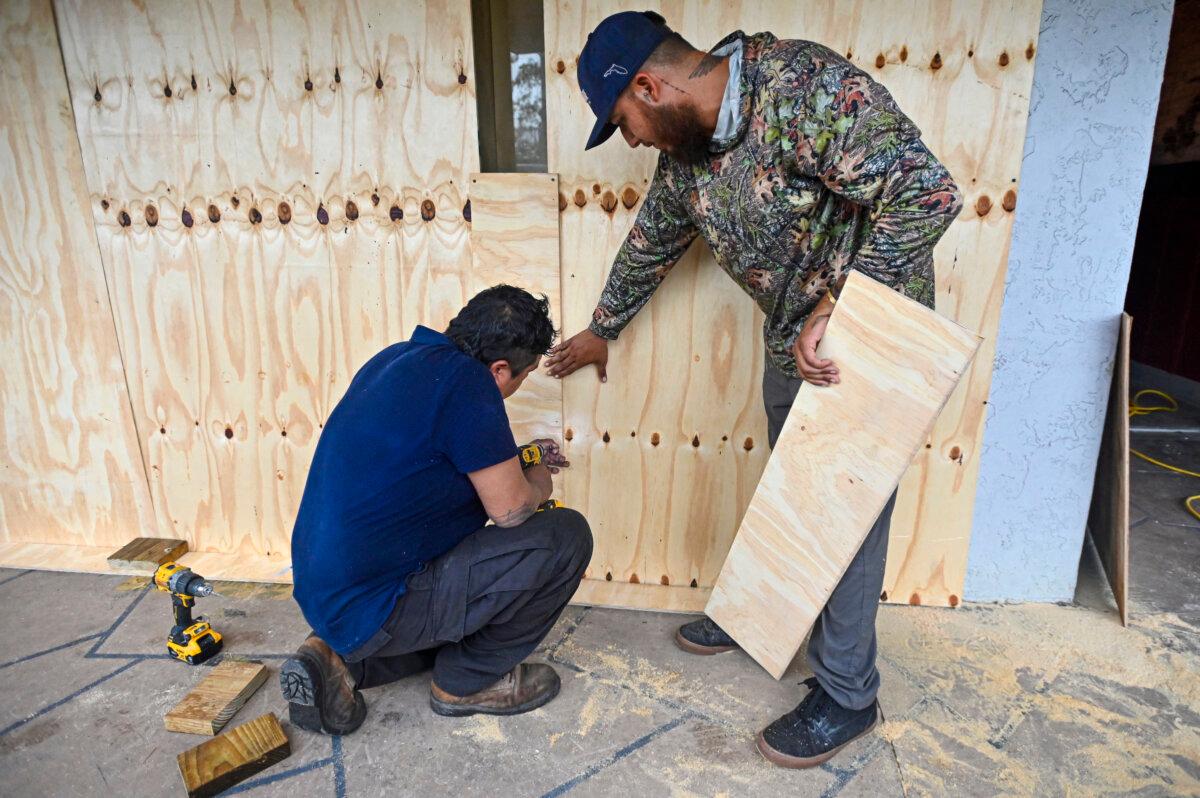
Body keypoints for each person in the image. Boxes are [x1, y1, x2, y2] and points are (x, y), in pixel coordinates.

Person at [545, 11, 962, 768]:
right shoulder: (690, 153)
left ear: (650, 84)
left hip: (867, 339)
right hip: (791, 339)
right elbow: (655, 240)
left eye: (624, 121)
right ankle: (769, 615)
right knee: (796, 497)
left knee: (847, 512)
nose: (630, 139)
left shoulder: (803, 91)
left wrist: (841, 308)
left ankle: (847, 695)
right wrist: (602, 328)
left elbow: (928, 195)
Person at [282, 285, 592, 735]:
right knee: (566, 535)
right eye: (521, 378)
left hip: (328, 595)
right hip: (380, 601)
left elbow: (431, 468)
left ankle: (336, 656)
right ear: (500, 369)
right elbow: (510, 511)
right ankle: (467, 683)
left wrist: (520, 457)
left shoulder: (394, 360)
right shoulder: (470, 384)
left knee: (445, 613)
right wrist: (540, 479)